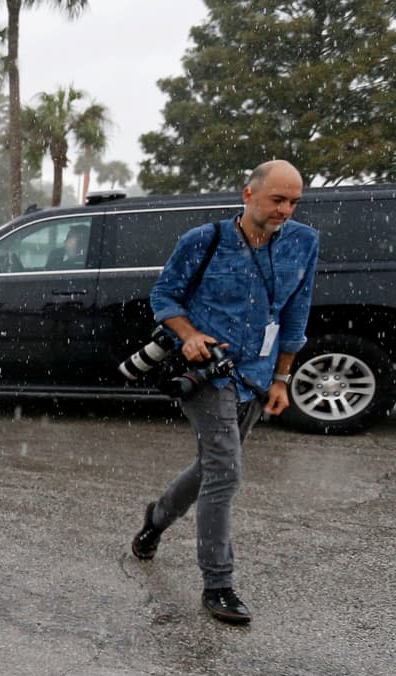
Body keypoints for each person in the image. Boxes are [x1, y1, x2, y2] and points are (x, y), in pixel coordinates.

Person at [131, 160, 318, 624]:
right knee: (227, 473)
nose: (286, 210)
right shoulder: (203, 241)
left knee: (212, 467)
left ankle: (155, 520)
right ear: (248, 194)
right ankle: (218, 583)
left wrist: (282, 379)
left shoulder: (304, 243)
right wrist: (189, 334)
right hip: (207, 373)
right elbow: (165, 298)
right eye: (277, 199)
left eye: (293, 201)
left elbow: (296, 312)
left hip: (257, 374)